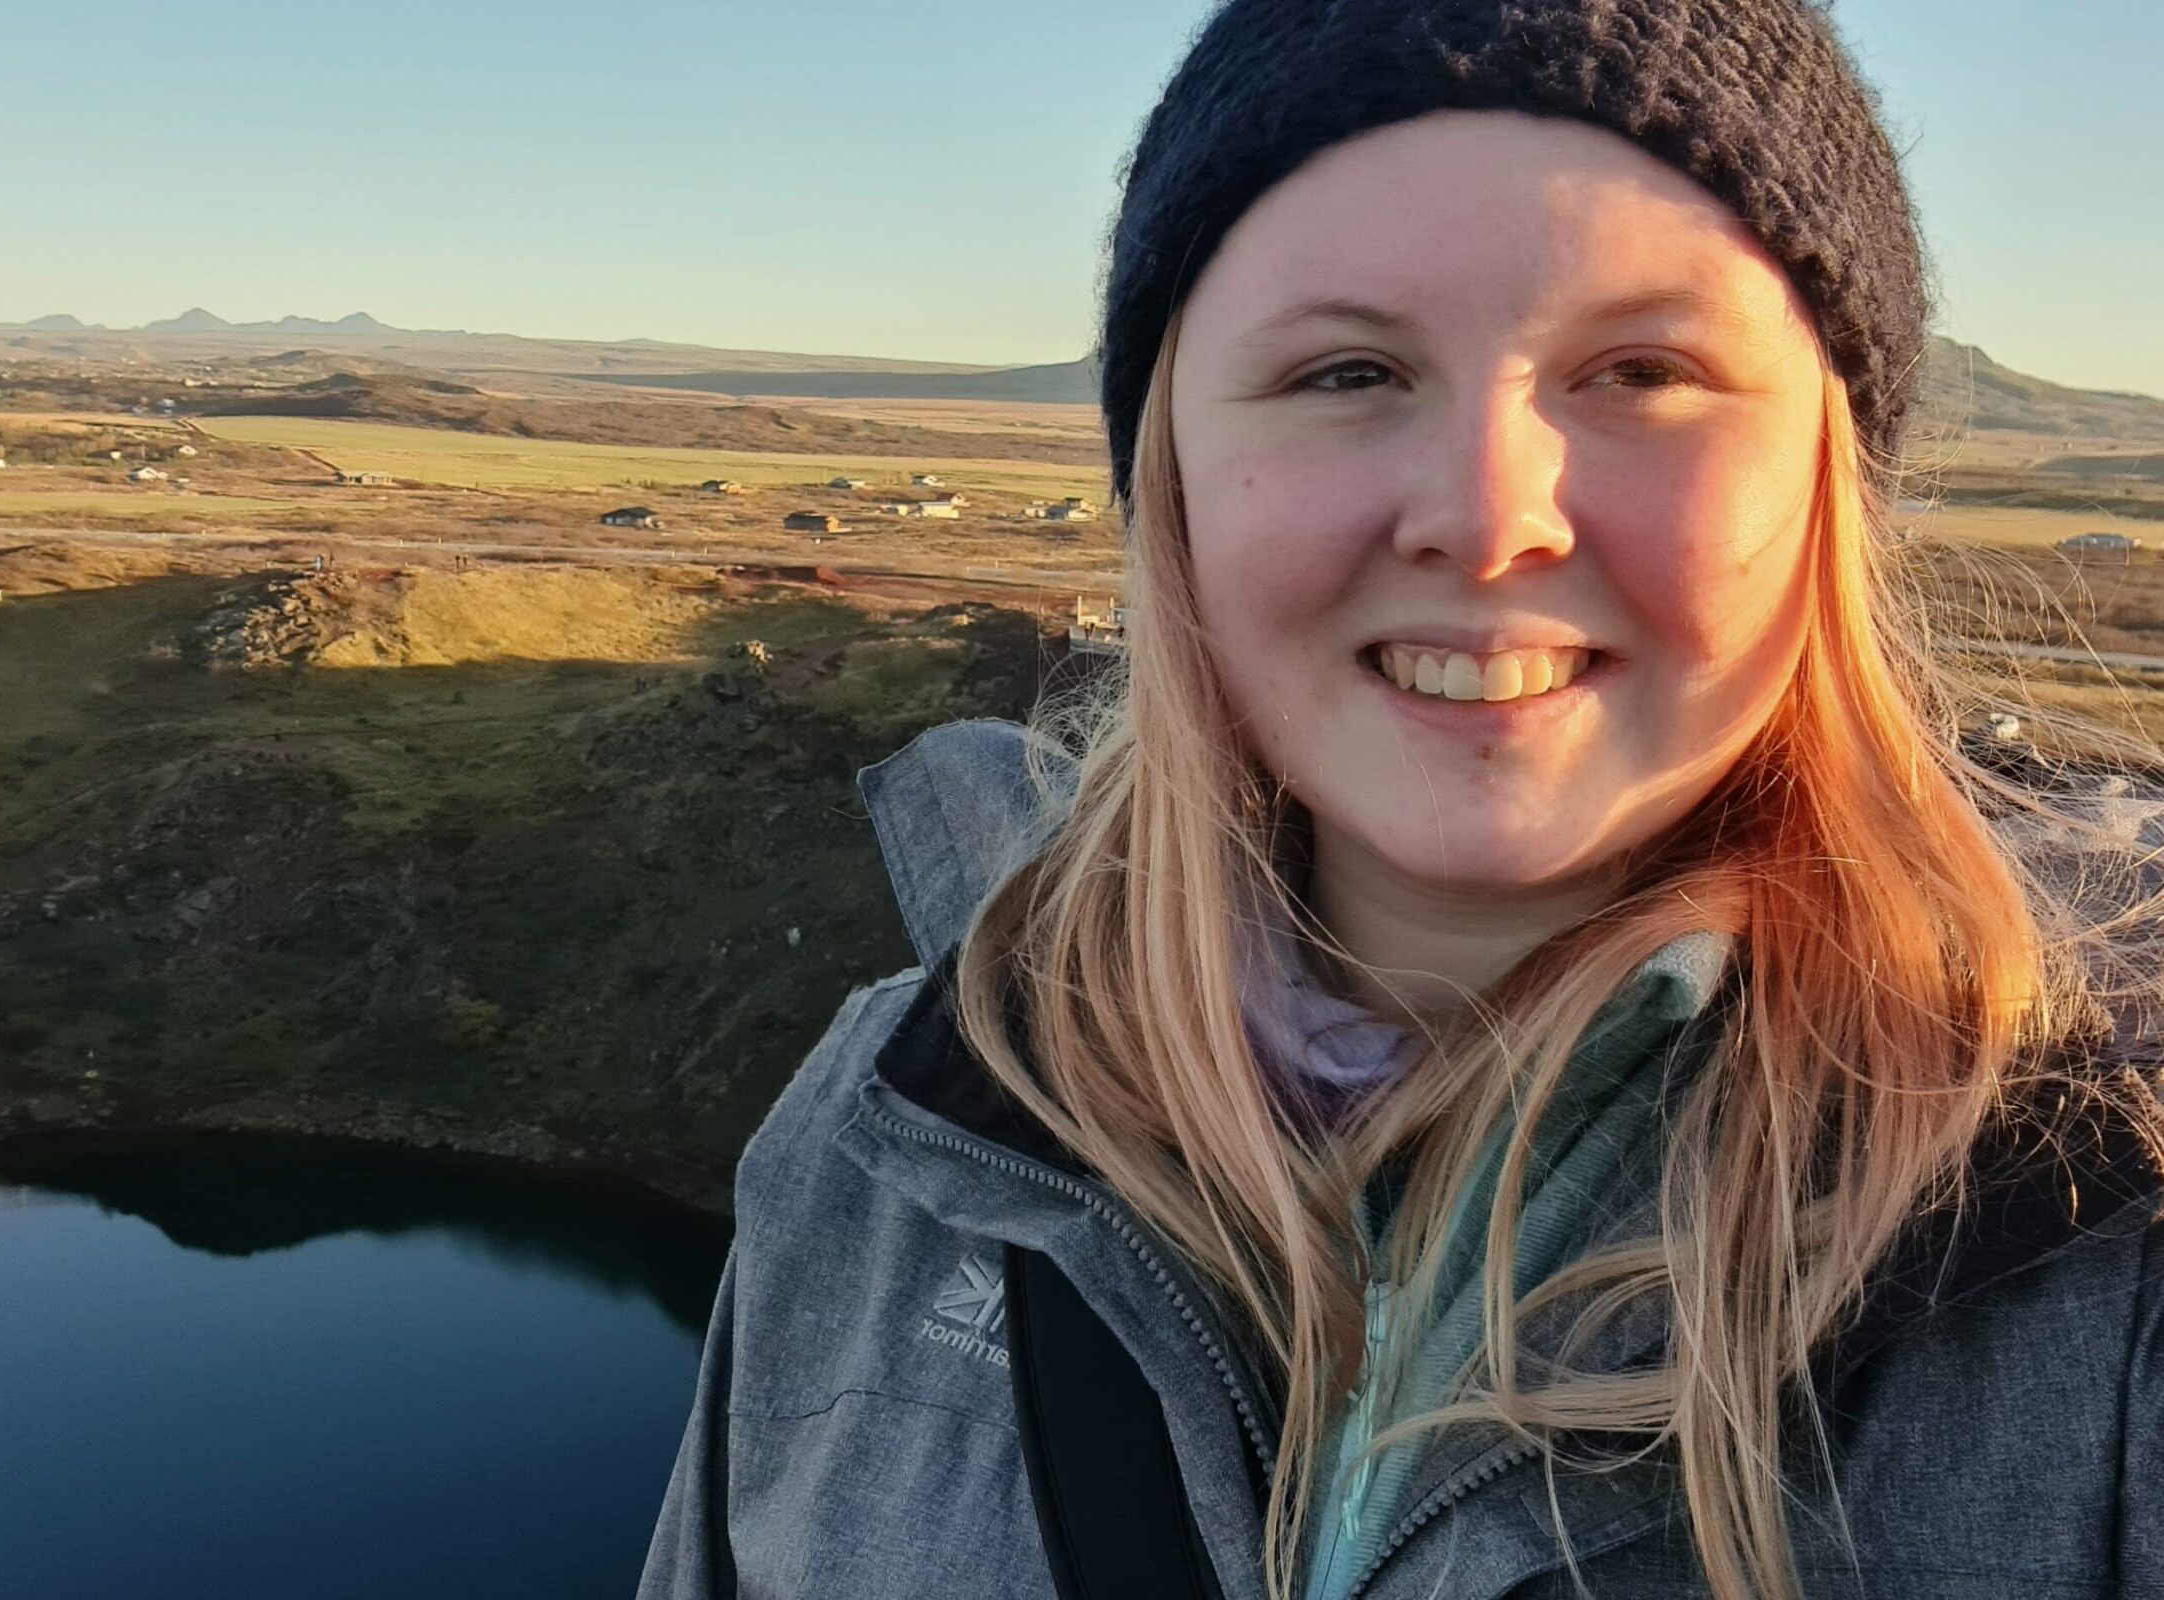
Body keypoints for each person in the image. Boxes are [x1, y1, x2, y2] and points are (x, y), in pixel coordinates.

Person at [639, 2, 2164, 1596]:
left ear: (1827, 481)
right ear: (1169, 477)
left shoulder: (2104, 1252)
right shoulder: (885, 1133)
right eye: (1347, 369)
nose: (1488, 517)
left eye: (1643, 370)